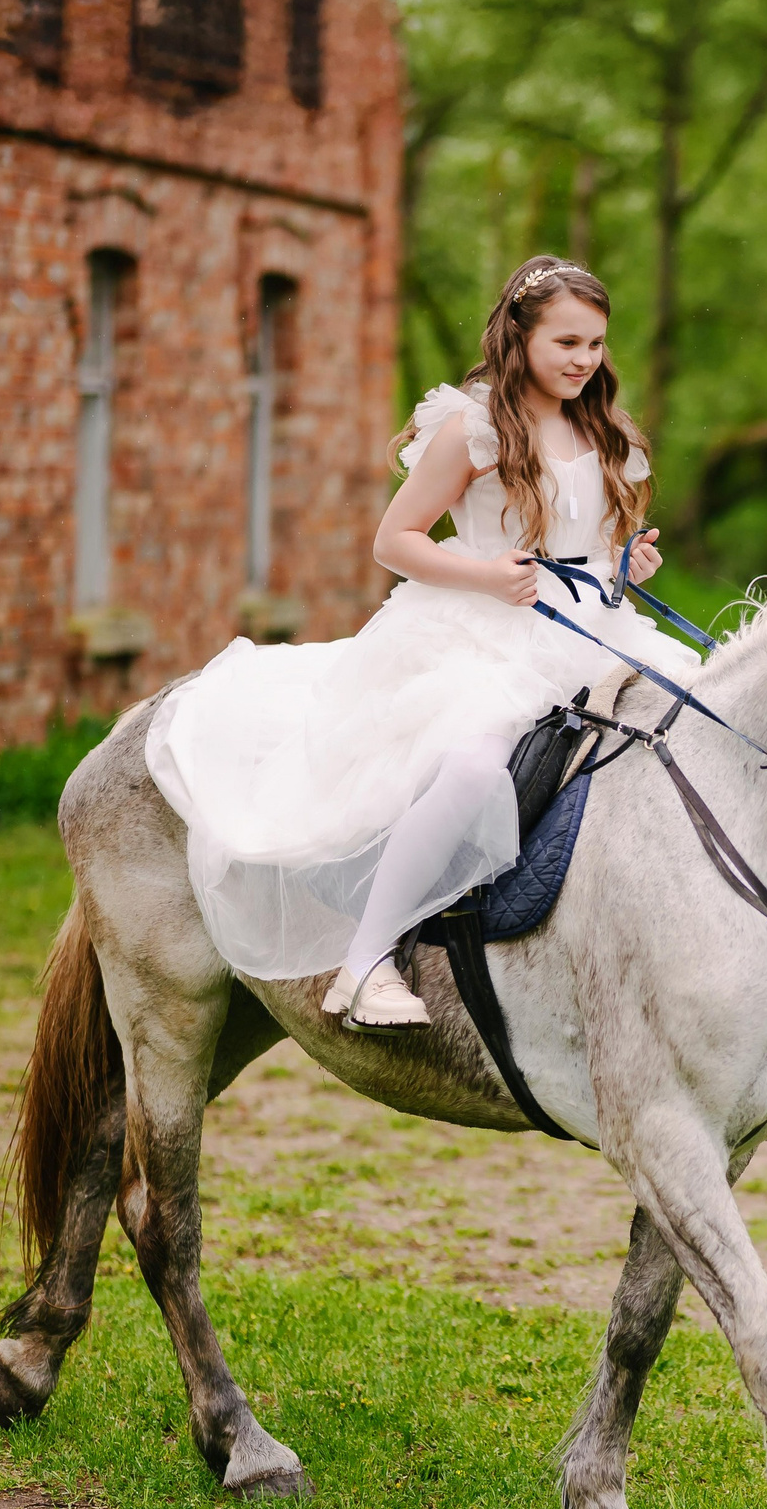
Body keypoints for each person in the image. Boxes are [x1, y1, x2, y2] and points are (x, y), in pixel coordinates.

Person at [145, 257, 695, 1029]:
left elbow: (597, 542)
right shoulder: (471, 428)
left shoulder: (604, 430)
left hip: (590, 629)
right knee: (472, 767)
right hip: (481, 631)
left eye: (596, 343)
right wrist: (483, 577)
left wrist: (627, 562)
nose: (584, 360)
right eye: (567, 341)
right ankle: (366, 960)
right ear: (520, 335)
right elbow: (393, 541)